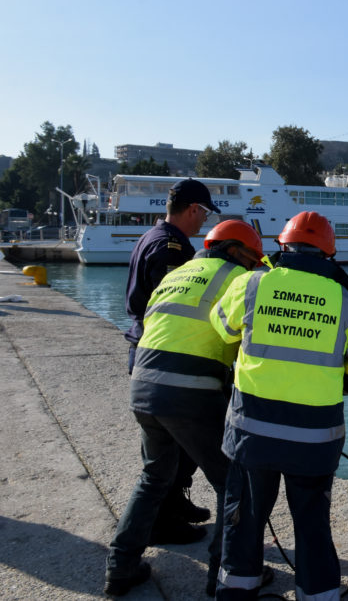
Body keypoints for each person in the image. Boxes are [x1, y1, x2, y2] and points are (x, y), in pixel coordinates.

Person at [211, 211, 348, 600]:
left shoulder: (252, 284)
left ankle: (237, 590)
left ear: (282, 245)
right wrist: (329, 382)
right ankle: (318, 594)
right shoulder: (347, 302)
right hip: (315, 438)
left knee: (245, 518)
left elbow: (221, 327)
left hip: (252, 433)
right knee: (312, 523)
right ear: (328, 253)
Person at [105, 221, 267, 596]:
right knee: (233, 482)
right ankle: (225, 576)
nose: (255, 265)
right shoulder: (235, 279)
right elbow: (246, 341)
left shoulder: (182, 272)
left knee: (154, 476)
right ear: (232, 250)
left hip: (143, 384)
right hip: (189, 389)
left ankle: (120, 566)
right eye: (252, 258)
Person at [124, 178, 220, 545]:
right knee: (173, 449)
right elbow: (174, 309)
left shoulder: (151, 237)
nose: (204, 222)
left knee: (170, 449)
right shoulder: (172, 248)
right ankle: (166, 519)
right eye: (204, 213)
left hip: (146, 347)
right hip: (162, 352)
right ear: (193, 209)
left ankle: (174, 504)